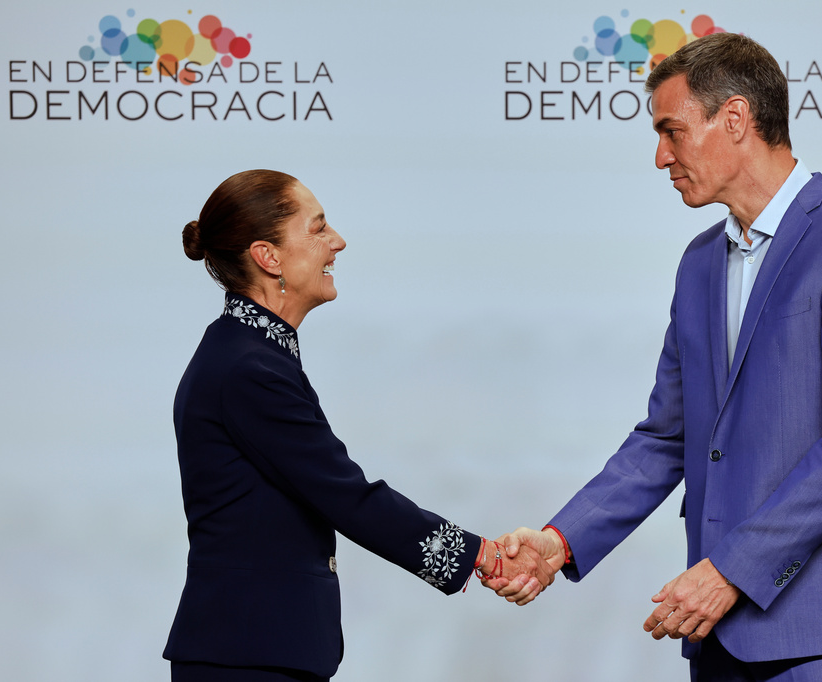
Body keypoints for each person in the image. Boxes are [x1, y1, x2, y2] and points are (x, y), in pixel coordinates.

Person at [488, 33, 822, 680]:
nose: (660, 156)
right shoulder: (698, 264)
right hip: (717, 632)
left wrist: (730, 571)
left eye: (672, 131)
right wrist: (559, 542)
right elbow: (667, 437)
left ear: (737, 118)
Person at [163, 170, 555, 682]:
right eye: (318, 228)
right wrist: (481, 555)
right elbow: (346, 495)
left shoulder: (248, 354)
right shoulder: (248, 369)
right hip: (248, 656)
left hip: (257, 649)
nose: (338, 242)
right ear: (268, 256)